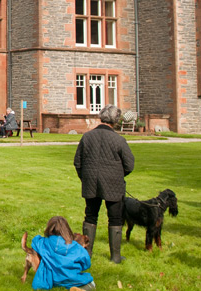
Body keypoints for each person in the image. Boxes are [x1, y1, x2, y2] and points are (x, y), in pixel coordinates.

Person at [73, 105, 134, 264]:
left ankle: (87, 255)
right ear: (116, 120)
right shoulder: (119, 140)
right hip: (113, 184)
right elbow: (130, 165)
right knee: (115, 218)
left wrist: (85, 177)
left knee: (90, 216)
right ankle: (115, 257)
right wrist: (117, 175)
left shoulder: (87, 137)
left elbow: (77, 162)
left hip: (91, 182)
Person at [30, 216, 96, 291]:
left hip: (51, 279)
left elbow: (35, 241)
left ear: (49, 228)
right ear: (67, 229)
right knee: (91, 282)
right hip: (71, 278)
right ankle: (80, 289)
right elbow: (87, 263)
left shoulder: (43, 243)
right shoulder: (76, 246)